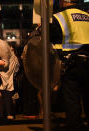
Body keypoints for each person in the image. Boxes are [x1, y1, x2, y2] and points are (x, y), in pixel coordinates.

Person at [50, 0, 89, 130]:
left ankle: (75, 127)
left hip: (72, 64)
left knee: (72, 100)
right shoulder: (87, 16)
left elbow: (50, 39)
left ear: (63, 2)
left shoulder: (58, 17)